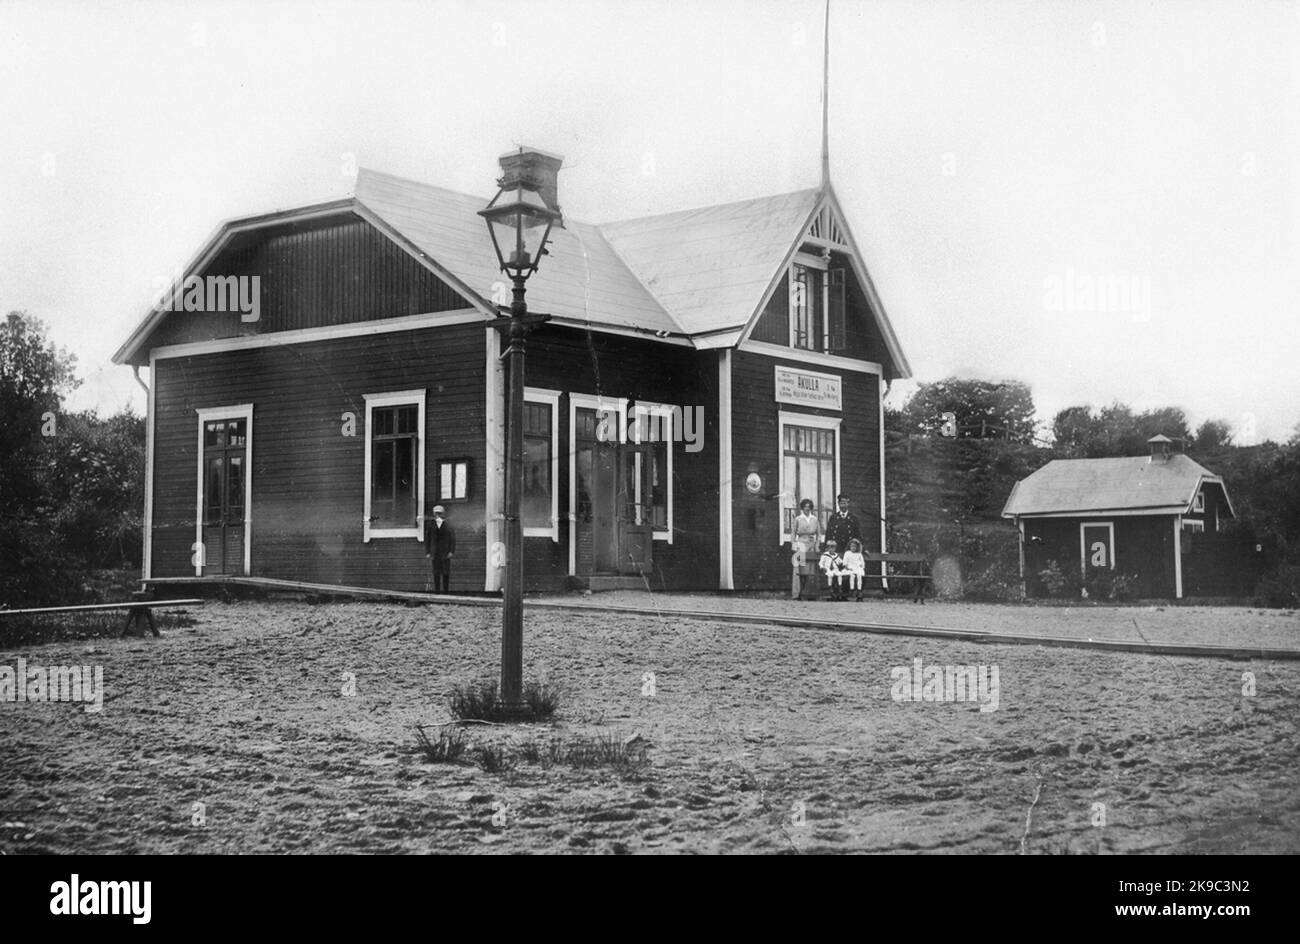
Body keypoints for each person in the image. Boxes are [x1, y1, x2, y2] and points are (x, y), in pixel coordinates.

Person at [791, 498, 821, 600]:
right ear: (802, 508)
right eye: (805, 507)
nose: (807, 509)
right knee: (799, 569)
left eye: (809, 507)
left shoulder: (815, 519)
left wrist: (817, 545)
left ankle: (810, 593)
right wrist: (794, 545)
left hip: (811, 545)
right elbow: (793, 533)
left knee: (811, 570)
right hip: (800, 544)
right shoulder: (798, 519)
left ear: (811, 508)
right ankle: (798, 593)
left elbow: (819, 534)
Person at [424, 504, 456, 593]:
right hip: (435, 552)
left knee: (446, 572)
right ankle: (437, 591)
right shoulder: (430, 525)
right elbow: (427, 539)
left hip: (445, 552)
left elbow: (453, 539)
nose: (438, 515)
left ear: (443, 514)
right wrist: (427, 552)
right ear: (434, 514)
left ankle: (446, 591)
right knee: (436, 572)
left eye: (440, 513)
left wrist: (451, 551)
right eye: (436, 513)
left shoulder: (448, 524)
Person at [841, 537, 866, 602]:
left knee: (859, 576)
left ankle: (859, 591)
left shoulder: (859, 554)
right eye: (852, 546)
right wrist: (847, 567)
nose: (853, 548)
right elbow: (845, 562)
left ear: (857, 547)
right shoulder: (847, 553)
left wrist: (861, 567)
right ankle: (851, 589)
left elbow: (862, 562)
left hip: (857, 568)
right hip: (849, 568)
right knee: (851, 575)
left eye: (855, 546)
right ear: (849, 546)